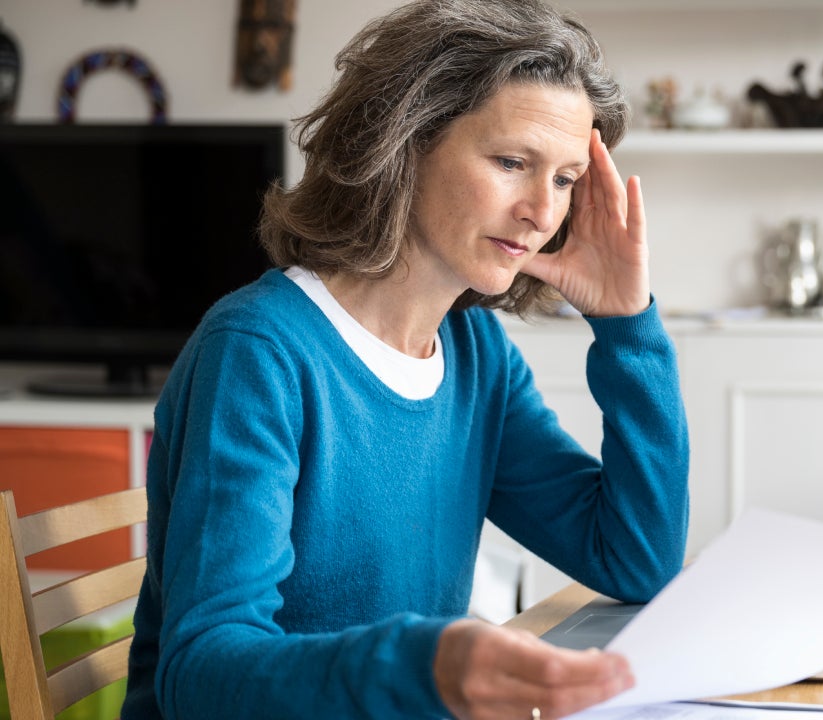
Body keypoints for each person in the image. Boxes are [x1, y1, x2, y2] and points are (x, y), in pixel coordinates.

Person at [121, 1, 690, 718]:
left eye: (566, 179)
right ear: (405, 143)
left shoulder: (475, 355)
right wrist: (428, 665)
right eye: (513, 162)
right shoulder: (260, 353)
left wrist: (627, 328)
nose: (543, 214)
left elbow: (635, 558)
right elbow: (201, 675)